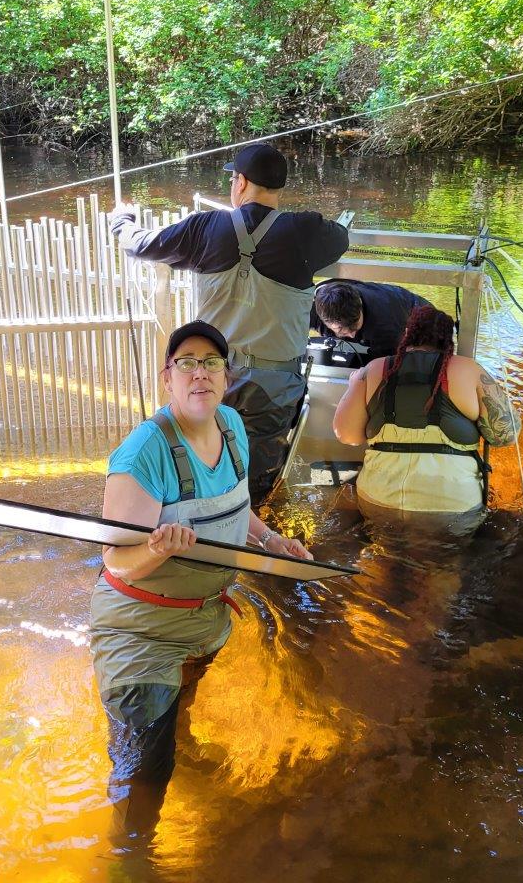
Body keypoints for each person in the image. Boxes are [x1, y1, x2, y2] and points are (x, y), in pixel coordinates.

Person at [91, 319, 313, 849]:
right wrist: (155, 547)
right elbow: (116, 561)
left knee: (178, 715)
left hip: (203, 615)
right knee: (142, 773)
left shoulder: (231, 425)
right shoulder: (142, 454)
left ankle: (179, 741)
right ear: (167, 377)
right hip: (139, 629)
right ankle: (128, 857)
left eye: (211, 362)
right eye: (186, 362)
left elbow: (237, 504)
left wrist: (269, 540)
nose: (200, 373)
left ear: (226, 376)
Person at [109, 143, 349, 501]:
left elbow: (142, 244)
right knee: (259, 476)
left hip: (213, 377)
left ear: (239, 183)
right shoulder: (307, 231)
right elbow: (342, 235)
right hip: (275, 385)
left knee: (204, 458)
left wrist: (121, 221)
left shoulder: (206, 227)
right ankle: (254, 529)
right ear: (279, 188)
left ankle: (202, 524)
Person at [331, 305, 519, 536]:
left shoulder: (373, 369)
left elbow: (346, 435)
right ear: (449, 340)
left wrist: (354, 384)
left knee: (382, 559)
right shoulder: (469, 370)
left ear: (407, 335)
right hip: (451, 504)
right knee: (444, 566)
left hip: (380, 497)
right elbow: (506, 436)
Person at [311, 279, 433, 361]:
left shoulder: (385, 326)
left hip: (422, 327)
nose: (351, 334)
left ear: (359, 304)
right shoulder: (320, 300)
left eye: (355, 323)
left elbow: (385, 365)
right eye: (340, 328)